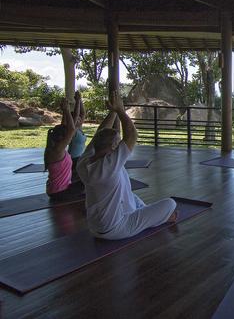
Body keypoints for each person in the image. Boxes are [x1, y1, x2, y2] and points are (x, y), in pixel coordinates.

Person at [76, 91, 178, 240]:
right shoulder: (108, 166)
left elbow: (99, 134)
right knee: (170, 204)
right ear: (114, 146)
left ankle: (145, 214)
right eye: (118, 142)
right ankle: (159, 219)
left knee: (131, 195)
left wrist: (113, 112)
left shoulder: (84, 162)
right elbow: (131, 135)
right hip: (117, 228)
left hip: (96, 227)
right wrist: (120, 111)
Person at [44, 97, 84, 198]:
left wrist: (66, 112)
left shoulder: (54, 148)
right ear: (62, 138)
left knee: (86, 179)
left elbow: (66, 127)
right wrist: (66, 110)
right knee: (92, 183)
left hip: (57, 189)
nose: (69, 138)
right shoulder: (57, 151)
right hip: (59, 192)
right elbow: (71, 129)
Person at [68, 91, 87, 180]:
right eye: (77, 119)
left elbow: (83, 114)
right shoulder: (72, 130)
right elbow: (76, 115)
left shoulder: (79, 128)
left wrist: (80, 100)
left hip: (79, 157)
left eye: (80, 119)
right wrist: (77, 102)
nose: (80, 119)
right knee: (74, 179)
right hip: (72, 158)